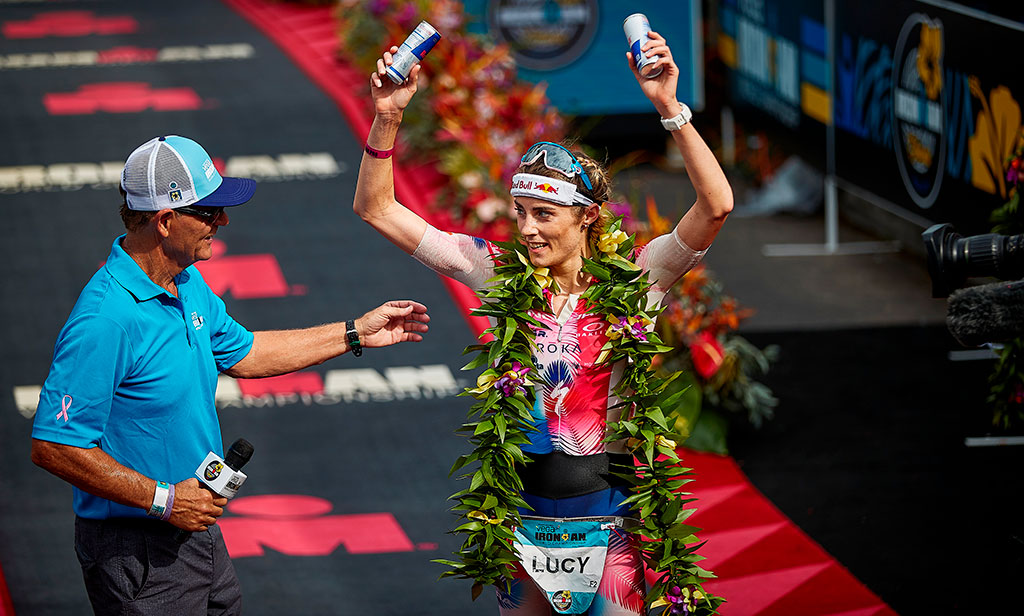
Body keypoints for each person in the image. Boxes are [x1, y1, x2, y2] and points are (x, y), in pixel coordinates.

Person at [353, 29, 731, 616]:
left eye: (545, 215)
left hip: (610, 520)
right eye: (521, 212)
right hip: (521, 518)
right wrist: (386, 118)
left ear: (586, 219)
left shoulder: (637, 277)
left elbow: (716, 206)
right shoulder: (496, 272)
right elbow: (377, 209)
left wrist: (669, 109)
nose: (528, 229)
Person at [30, 135, 430, 616]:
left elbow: (246, 353)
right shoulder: (105, 320)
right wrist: (164, 499)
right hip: (138, 546)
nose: (222, 220)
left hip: (193, 530)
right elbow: (54, 444)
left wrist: (354, 333)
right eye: (209, 211)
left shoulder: (184, 280)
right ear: (164, 221)